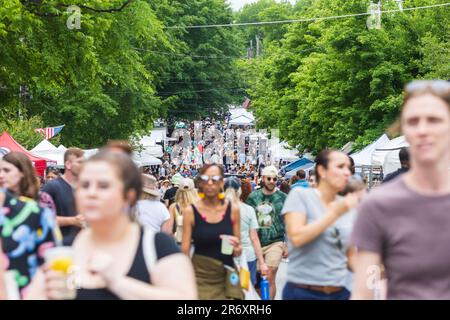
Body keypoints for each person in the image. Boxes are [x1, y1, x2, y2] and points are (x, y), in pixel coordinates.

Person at [26, 152, 197, 300]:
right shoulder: (65, 251)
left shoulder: (156, 246)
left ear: (128, 196)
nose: (91, 193)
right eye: (84, 185)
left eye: (104, 185)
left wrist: (116, 282)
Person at [351, 80, 450, 300]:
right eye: (413, 121)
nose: (423, 130)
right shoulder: (380, 204)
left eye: (434, 120)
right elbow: (364, 289)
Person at [281, 150, 359, 300]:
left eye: (348, 168)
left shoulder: (348, 206)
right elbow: (297, 237)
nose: (346, 172)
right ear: (322, 170)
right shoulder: (300, 196)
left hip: (341, 292)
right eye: (340, 167)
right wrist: (336, 212)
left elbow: (350, 255)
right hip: (304, 292)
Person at [181, 164, 243, 300]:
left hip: (226, 274)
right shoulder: (190, 212)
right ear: (200, 183)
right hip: (200, 276)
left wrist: (237, 248)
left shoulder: (233, 210)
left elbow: (238, 249)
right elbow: (184, 251)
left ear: (222, 182)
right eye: (205, 178)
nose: (210, 183)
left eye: (214, 179)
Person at [0, 154, 57, 297]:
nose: (1, 176)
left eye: (7, 171)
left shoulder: (39, 204)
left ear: (22, 172)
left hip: (29, 287)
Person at [246, 165, 287, 300]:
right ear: (263, 178)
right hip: (255, 242)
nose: (271, 181)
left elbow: (288, 221)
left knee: (269, 276)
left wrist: (286, 244)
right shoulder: (254, 197)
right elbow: (248, 219)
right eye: (268, 178)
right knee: (258, 281)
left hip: (275, 241)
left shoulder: (283, 197)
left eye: (274, 179)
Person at [224, 177, 268, 287]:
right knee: (246, 289)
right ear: (239, 191)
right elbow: (254, 238)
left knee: (229, 289)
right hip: (247, 257)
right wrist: (262, 262)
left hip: (226, 256)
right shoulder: (248, 210)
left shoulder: (218, 210)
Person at [40, 148, 85, 245]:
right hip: (59, 247)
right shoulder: (52, 187)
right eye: (80, 162)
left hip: (80, 246)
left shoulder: (83, 188)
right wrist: (73, 221)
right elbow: (42, 217)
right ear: (68, 164)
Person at [168, 178, 198, 245]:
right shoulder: (199, 205)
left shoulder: (173, 207)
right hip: (197, 244)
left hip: (179, 242)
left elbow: (169, 229)